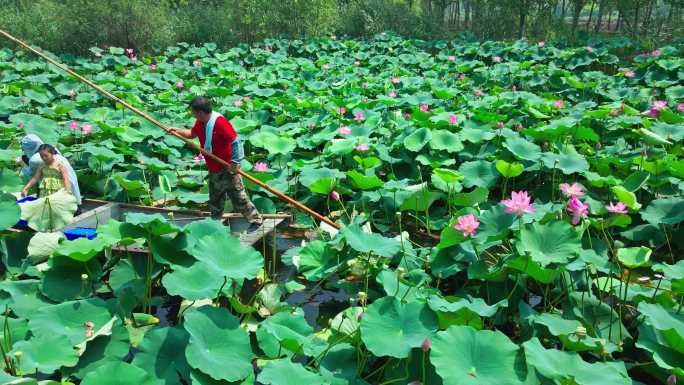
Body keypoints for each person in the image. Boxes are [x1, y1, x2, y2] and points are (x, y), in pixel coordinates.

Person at [171, 96, 262, 231]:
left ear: (200, 112)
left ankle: (256, 221)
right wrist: (176, 131)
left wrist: (235, 162)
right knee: (215, 198)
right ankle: (215, 224)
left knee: (238, 197)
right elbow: (191, 134)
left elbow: (236, 141)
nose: (192, 114)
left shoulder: (219, 122)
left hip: (227, 167)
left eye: (193, 112)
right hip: (214, 167)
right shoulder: (200, 122)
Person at [19, 135, 82, 205]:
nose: (44, 158)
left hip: (59, 187)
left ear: (27, 147)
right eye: (42, 156)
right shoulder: (51, 150)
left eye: (23, 148)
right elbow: (36, 177)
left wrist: (22, 164)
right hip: (71, 185)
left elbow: (32, 175)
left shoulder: (35, 159)